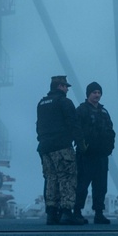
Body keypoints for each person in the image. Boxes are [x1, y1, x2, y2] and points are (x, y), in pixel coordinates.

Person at [36, 75, 83, 225]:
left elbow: (38, 126)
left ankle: (51, 213)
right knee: (67, 178)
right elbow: (73, 123)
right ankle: (66, 212)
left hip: (45, 148)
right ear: (60, 86)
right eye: (65, 86)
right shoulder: (64, 102)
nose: (67, 89)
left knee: (51, 179)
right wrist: (80, 142)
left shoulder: (42, 103)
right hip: (62, 147)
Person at [73, 82, 115, 225]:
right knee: (82, 185)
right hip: (86, 155)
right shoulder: (81, 110)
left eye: (99, 92)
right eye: (94, 92)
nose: (97, 95)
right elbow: (76, 130)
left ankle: (99, 213)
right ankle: (77, 212)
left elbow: (110, 131)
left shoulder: (104, 112)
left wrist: (110, 147)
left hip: (101, 155)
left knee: (101, 186)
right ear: (88, 94)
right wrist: (82, 147)